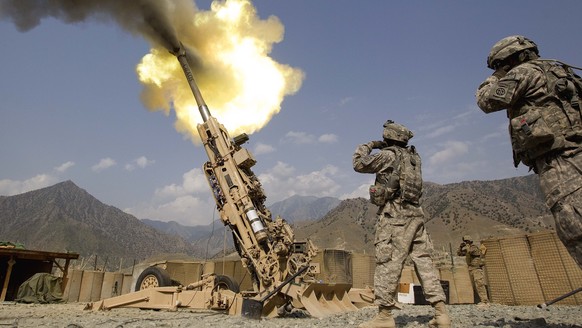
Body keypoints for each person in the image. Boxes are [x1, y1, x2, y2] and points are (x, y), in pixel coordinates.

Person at [476, 35, 582, 268]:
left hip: (562, 161)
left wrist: (494, 78)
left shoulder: (523, 72)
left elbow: (487, 101)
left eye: (500, 65)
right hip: (576, 151)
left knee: (573, 225)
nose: (500, 70)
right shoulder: (562, 73)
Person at [353, 120, 451, 328]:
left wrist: (370, 144)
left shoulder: (388, 156)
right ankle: (441, 313)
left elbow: (358, 164)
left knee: (387, 262)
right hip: (415, 214)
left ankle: (384, 316)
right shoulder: (414, 158)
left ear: (388, 137)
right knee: (424, 262)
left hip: (394, 216)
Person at [457, 235, 489, 305]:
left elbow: (471, 252)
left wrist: (467, 246)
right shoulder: (468, 248)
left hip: (476, 268)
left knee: (479, 284)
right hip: (471, 268)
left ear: (470, 241)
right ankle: (481, 300)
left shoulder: (474, 247)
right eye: (465, 241)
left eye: (466, 241)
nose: (465, 242)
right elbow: (459, 254)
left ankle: (485, 301)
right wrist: (460, 247)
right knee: (475, 286)